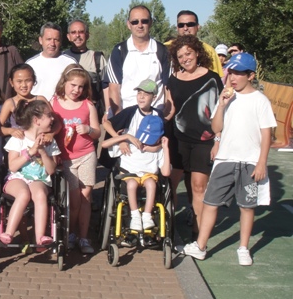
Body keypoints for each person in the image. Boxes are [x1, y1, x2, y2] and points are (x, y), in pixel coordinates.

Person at [181, 53, 276, 266]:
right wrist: (222, 105)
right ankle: (201, 246)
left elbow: (267, 134)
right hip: (225, 159)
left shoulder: (260, 101)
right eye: (230, 72)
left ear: (250, 75)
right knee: (210, 202)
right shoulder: (227, 97)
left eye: (238, 73)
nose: (232, 77)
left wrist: (261, 162)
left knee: (247, 206)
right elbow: (216, 128)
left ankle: (243, 247)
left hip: (250, 161)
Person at [164, 35, 223, 239]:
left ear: (198, 52)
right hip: (177, 140)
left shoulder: (212, 78)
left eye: (188, 53)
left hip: (203, 141)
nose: (185, 58)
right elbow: (169, 109)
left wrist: (218, 140)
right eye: (180, 56)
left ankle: (197, 235)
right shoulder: (172, 79)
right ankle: (168, 228)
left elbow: (221, 111)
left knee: (198, 186)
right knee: (171, 184)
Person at [102, 80, 169, 232]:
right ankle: (135, 217)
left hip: (148, 160)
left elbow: (163, 138)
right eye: (139, 93)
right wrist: (122, 140)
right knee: (131, 184)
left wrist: (156, 148)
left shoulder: (158, 115)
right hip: (130, 153)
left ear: (154, 97)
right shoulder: (131, 111)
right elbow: (107, 124)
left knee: (151, 183)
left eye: (146, 94)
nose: (141, 97)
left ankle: (147, 215)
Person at [51, 66, 101, 253]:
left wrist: (88, 130)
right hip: (66, 159)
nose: (76, 90)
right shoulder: (54, 103)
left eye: (80, 87)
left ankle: (83, 237)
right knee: (74, 198)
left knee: (86, 195)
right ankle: (70, 233)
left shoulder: (88, 105)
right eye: (73, 85)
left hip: (86, 154)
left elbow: (97, 132)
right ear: (64, 83)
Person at [0, 100, 61, 249]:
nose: (52, 119)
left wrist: (41, 152)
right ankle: (8, 233)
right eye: (48, 116)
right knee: (23, 194)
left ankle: (40, 237)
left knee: (40, 194)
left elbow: (51, 170)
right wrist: (30, 152)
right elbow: (13, 166)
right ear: (36, 120)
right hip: (17, 177)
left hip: (39, 178)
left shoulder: (50, 142)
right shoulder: (18, 139)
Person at [104, 5, 171, 116]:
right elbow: (114, 88)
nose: (140, 25)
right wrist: (119, 119)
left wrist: (165, 116)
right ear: (128, 24)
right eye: (135, 22)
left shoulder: (163, 51)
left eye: (144, 21)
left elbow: (168, 87)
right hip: (127, 117)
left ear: (151, 23)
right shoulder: (119, 51)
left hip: (155, 117)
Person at [62, 19, 107, 119]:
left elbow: (106, 86)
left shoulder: (97, 58)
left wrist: (108, 111)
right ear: (68, 37)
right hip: (66, 113)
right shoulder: (62, 58)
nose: (77, 35)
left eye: (81, 32)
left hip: (91, 113)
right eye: (73, 32)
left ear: (87, 35)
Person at [0, 63, 50, 140]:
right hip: (19, 147)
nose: (24, 85)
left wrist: (51, 134)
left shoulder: (40, 99)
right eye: (19, 81)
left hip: (41, 144)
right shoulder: (10, 103)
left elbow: (57, 123)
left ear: (34, 80)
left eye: (28, 80)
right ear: (11, 82)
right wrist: (11, 131)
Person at [26, 22, 77, 101]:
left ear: (60, 41)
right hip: (36, 110)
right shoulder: (30, 64)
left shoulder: (70, 63)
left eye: (56, 40)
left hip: (62, 110)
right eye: (48, 39)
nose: (52, 43)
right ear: (40, 40)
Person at [166, 10, 224, 77]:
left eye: (190, 24)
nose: (185, 28)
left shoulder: (209, 50)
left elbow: (215, 79)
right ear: (177, 28)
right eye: (181, 25)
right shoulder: (165, 48)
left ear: (198, 27)